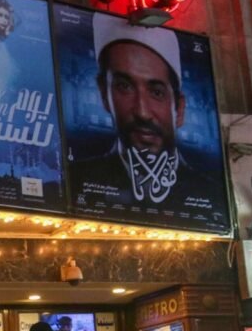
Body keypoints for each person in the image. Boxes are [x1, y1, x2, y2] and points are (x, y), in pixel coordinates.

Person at [67, 13, 224, 210]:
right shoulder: (74, 180)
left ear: (179, 108)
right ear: (104, 94)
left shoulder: (211, 195)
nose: (142, 112)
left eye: (156, 92)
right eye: (125, 87)